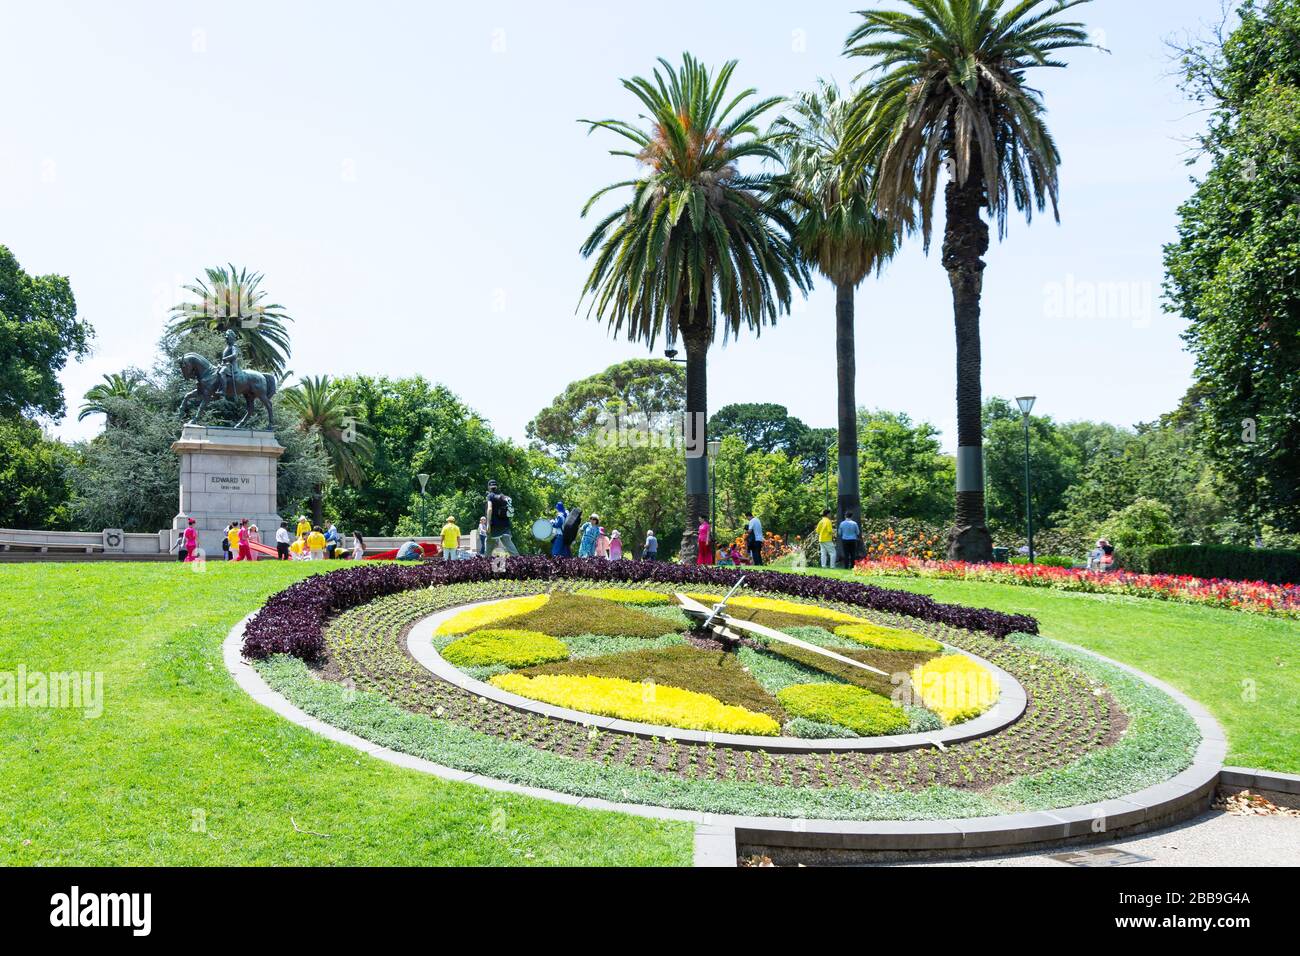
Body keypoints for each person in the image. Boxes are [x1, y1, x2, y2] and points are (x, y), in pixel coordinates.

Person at [484, 479, 519, 556]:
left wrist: (488, 524)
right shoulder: (504, 497)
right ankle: (519, 562)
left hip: (494, 526)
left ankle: (485, 564)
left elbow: (490, 509)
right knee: (509, 545)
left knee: (489, 546)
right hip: (505, 525)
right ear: (496, 486)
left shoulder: (490, 496)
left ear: (489, 487)